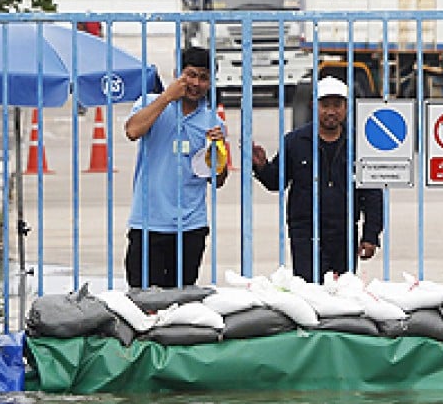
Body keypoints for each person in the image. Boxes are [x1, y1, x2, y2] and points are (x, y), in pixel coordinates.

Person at [251, 75, 384, 283]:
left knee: (343, 291)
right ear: (314, 105)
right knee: (310, 289)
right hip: (305, 232)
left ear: (346, 106)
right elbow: (276, 182)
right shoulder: (295, 142)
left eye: (337, 105)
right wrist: (261, 166)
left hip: (344, 230)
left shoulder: (359, 143)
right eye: (325, 105)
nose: (331, 111)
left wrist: (370, 235)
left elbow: (373, 193)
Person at [124, 46, 228, 289]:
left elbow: (218, 179)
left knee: (179, 303)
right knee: (143, 300)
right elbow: (132, 131)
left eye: (203, 77)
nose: (196, 83)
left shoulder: (213, 122)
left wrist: (218, 150)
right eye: (190, 74)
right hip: (148, 223)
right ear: (177, 74)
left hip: (191, 226)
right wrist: (166, 97)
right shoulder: (151, 103)